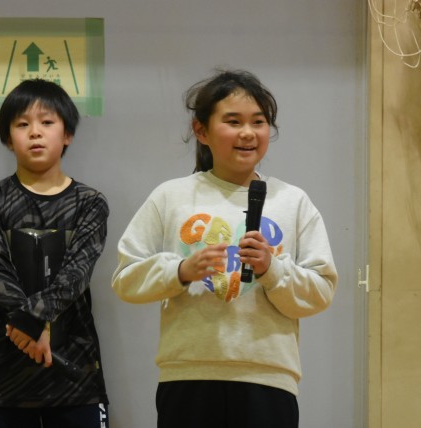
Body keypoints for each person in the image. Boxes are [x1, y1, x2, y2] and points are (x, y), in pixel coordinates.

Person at [111, 69, 338, 428]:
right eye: (233, 121)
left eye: (258, 122)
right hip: (188, 376)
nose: (248, 133)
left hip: (268, 379)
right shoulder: (171, 196)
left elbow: (321, 290)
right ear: (201, 131)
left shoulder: (293, 201)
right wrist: (180, 271)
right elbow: (125, 279)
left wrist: (272, 269)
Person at [0, 79, 110, 428]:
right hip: (3, 376)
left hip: (74, 372)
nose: (35, 132)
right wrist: (31, 326)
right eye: (22, 124)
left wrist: (31, 322)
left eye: (47, 122)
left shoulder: (90, 203)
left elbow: (76, 274)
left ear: (67, 134)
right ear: (7, 138)